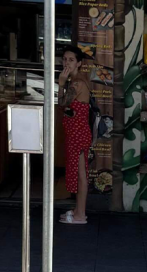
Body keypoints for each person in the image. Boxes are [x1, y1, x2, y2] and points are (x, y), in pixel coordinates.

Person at [58, 45, 93, 225]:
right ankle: (78, 210)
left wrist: (61, 83)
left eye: (71, 60)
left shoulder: (77, 83)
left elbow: (63, 103)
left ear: (79, 63)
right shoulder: (78, 80)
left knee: (80, 174)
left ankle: (80, 215)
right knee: (78, 173)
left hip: (78, 133)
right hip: (76, 132)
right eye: (64, 59)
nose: (67, 63)